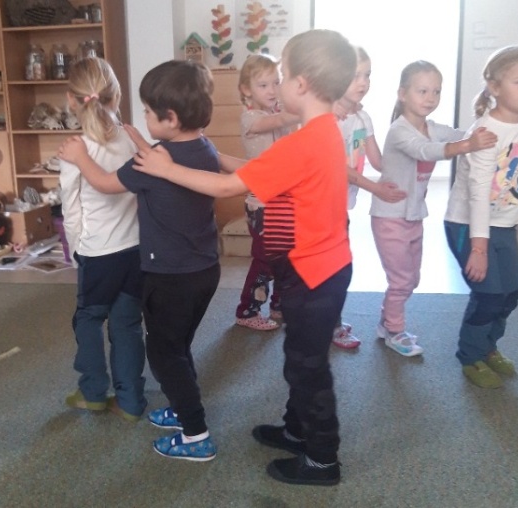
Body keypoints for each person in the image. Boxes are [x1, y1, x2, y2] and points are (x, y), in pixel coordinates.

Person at [130, 29, 358, 486]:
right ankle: (296, 431)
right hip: (318, 269)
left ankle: (322, 460)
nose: (279, 85)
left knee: (307, 367)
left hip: (313, 274)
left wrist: (168, 168)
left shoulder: (303, 142)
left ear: (301, 84)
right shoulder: (320, 133)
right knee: (301, 356)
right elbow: (254, 171)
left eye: (283, 75)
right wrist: (212, 155)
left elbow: (228, 188)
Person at [58, 59, 220, 461]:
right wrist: (139, 142)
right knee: (164, 339)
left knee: (155, 350)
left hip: (158, 270)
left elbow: (99, 186)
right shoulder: (200, 148)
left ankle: (194, 433)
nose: (143, 118)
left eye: (148, 112)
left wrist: (80, 158)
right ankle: (157, 405)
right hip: (190, 265)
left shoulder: (145, 158)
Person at [369, 60, 497, 357]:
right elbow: (425, 150)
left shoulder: (432, 128)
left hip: (414, 216)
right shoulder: (399, 131)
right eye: (422, 91)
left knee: (411, 279)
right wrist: (467, 146)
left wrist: (498, 128)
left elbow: (460, 133)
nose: (430, 98)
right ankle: (394, 330)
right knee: (401, 280)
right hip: (389, 217)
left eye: (436, 91)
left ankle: (386, 322)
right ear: (403, 94)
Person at [444, 46, 518, 388]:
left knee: (511, 291)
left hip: (502, 223)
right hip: (467, 224)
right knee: (488, 294)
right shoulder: (486, 132)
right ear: (494, 86)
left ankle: (488, 347)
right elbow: (478, 193)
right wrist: (479, 249)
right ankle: (470, 355)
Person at [59, 57, 146, 421]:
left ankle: (93, 392)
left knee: (88, 320)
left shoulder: (75, 150)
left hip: (98, 254)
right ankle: (130, 401)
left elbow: (71, 209)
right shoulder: (130, 138)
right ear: (116, 94)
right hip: (135, 250)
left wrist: (76, 251)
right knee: (127, 325)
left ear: (71, 99)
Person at [331, 46, 407, 349]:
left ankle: (328, 319)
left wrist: (410, 156)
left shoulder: (362, 118)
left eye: (367, 75)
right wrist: (376, 189)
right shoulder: (327, 118)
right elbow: (339, 168)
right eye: (355, 75)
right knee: (335, 269)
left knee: (339, 267)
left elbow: (378, 160)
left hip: (341, 206)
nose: (363, 82)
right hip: (321, 206)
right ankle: (329, 325)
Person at [234, 54, 299, 331]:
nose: (272, 90)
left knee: (286, 257)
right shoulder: (250, 118)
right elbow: (273, 123)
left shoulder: (278, 114)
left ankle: (279, 305)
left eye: (276, 82)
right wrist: (306, 109)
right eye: (263, 85)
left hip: (284, 202)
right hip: (261, 205)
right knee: (265, 261)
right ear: (246, 90)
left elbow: (292, 138)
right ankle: (247, 311)